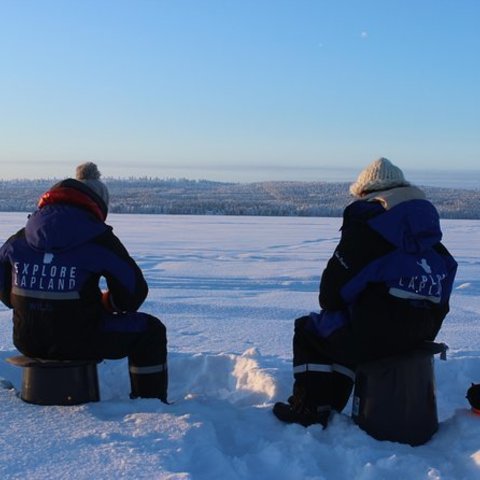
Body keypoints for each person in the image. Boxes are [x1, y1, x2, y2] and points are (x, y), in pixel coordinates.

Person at [273, 157, 458, 427]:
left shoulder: (369, 231)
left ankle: (311, 409)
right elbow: (445, 290)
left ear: (366, 194)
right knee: (352, 327)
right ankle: (334, 400)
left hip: (375, 334)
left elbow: (330, 295)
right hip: (422, 334)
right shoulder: (431, 241)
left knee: (310, 331)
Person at [0, 162, 168, 403]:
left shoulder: (19, 238)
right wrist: (106, 303)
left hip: (27, 340)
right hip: (81, 339)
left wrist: (32, 302)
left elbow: (4, 290)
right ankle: (150, 403)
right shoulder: (99, 239)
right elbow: (133, 294)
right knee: (150, 331)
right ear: (98, 205)